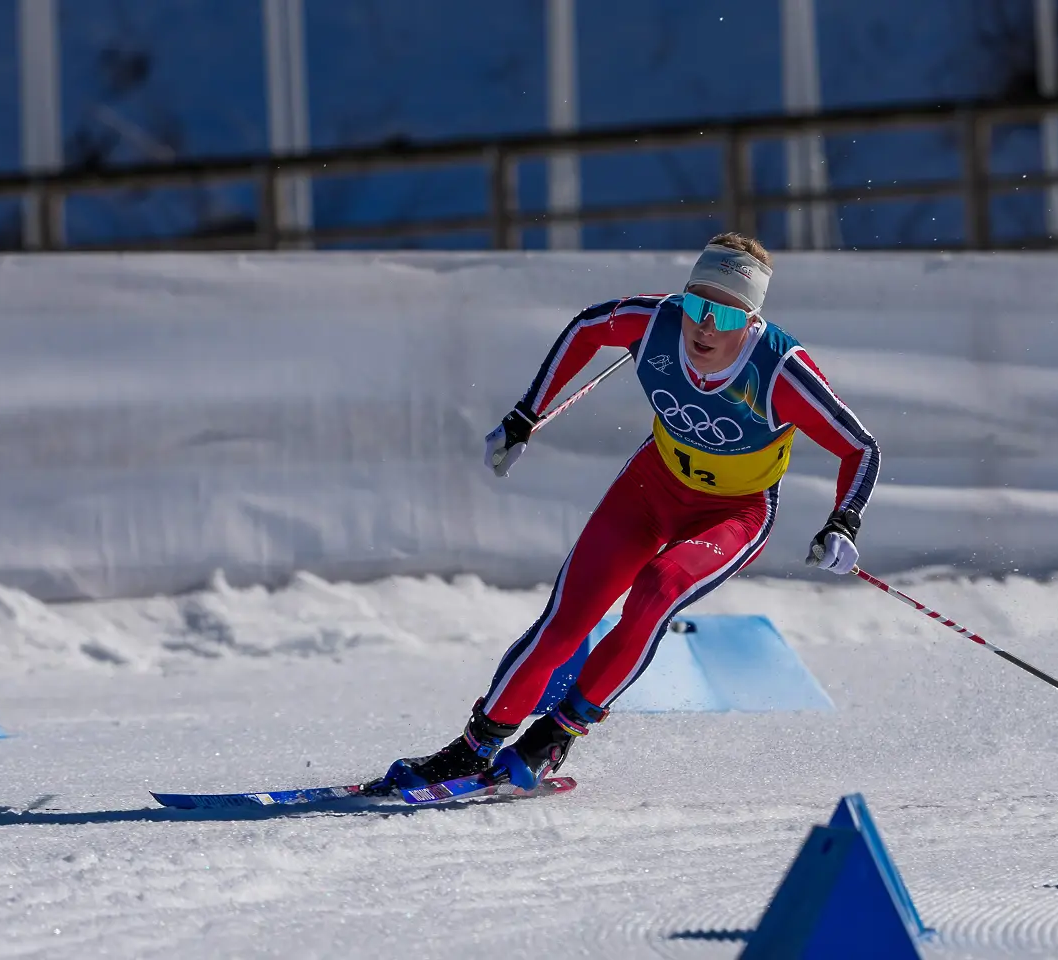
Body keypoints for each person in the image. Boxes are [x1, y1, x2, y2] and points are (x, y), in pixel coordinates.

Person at [368, 232, 880, 793]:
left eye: (725, 316)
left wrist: (843, 520)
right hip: (651, 487)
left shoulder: (781, 370)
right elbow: (588, 327)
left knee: (657, 591)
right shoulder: (658, 322)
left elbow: (860, 447)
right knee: (566, 621)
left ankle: (558, 733)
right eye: (696, 304)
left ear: (752, 322)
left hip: (735, 513)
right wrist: (525, 415)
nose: (705, 326)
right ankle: (475, 746)